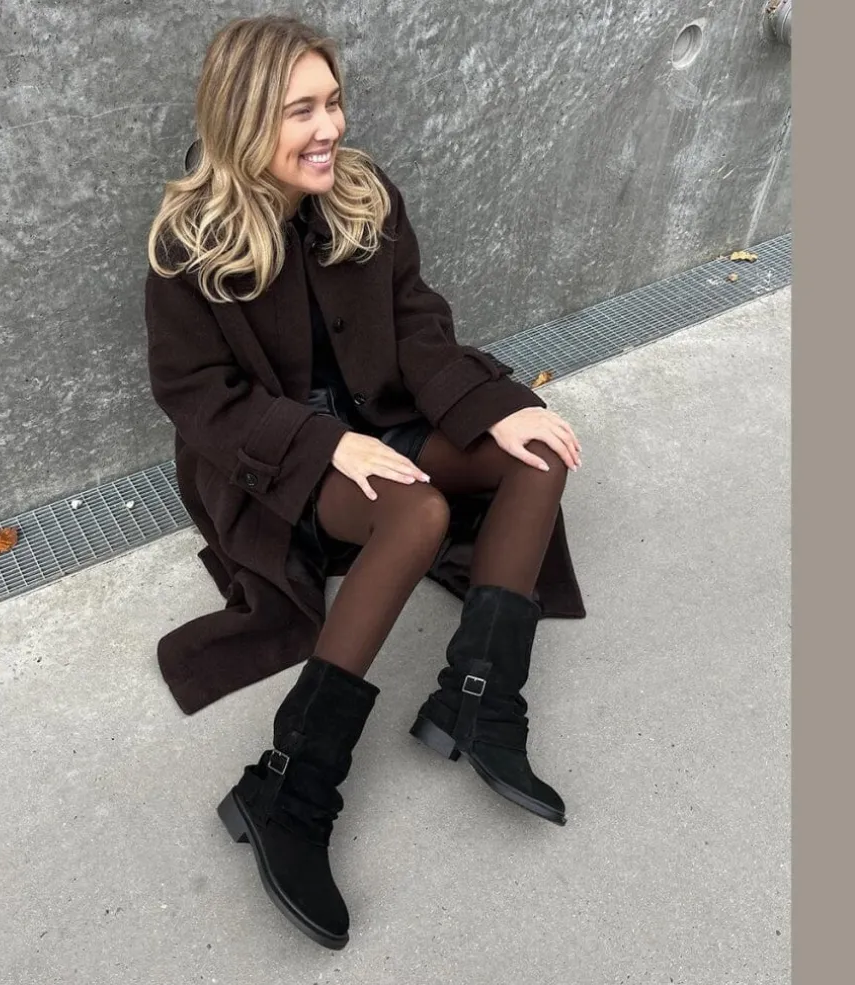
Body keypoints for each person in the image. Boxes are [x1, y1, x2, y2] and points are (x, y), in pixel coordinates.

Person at [145, 14, 585, 951]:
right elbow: (194, 395)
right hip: (277, 465)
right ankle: (287, 786)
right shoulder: (189, 244)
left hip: (387, 418)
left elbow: (417, 325)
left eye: (333, 102)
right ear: (243, 119)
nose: (330, 127)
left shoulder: (363, 195)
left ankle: (477, 697)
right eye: (300, 110)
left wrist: (493, 404)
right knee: (417, 513)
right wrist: (323, 444)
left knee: (538, 449)